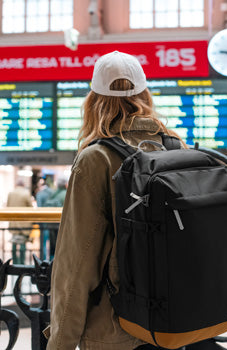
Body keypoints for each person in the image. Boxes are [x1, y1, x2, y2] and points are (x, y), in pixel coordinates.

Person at [46, 51, 187, 350]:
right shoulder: (176, 147)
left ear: (93, 101)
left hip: (115, 331)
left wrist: (60, 343)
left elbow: (76, 264)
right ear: (145, 94)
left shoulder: (95, 159)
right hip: (175, 326)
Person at [7, 179, 33, 264]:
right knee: (23, 243)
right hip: (24, 222)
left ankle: (14, 261)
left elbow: (8, 206)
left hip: (13, 221)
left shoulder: (11, 193)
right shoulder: (26, 193)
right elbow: (30, 208)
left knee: (14, 243)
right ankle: (22, 263)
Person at [43, 177, 67, 259]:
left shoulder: (54, 194)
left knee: (53, 246)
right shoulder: (66, 194)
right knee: (62, 246)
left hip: (51, 224)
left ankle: (51, 264)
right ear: (66, 184)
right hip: (62, 226)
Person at [35, 176, 54, 260]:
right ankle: (52, 261)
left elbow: (39, 208)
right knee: (53, 243)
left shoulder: (39, 194)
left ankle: (43, 261)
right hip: (53, 222)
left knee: (43, 243)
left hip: (43, 222)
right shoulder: (53, 193)